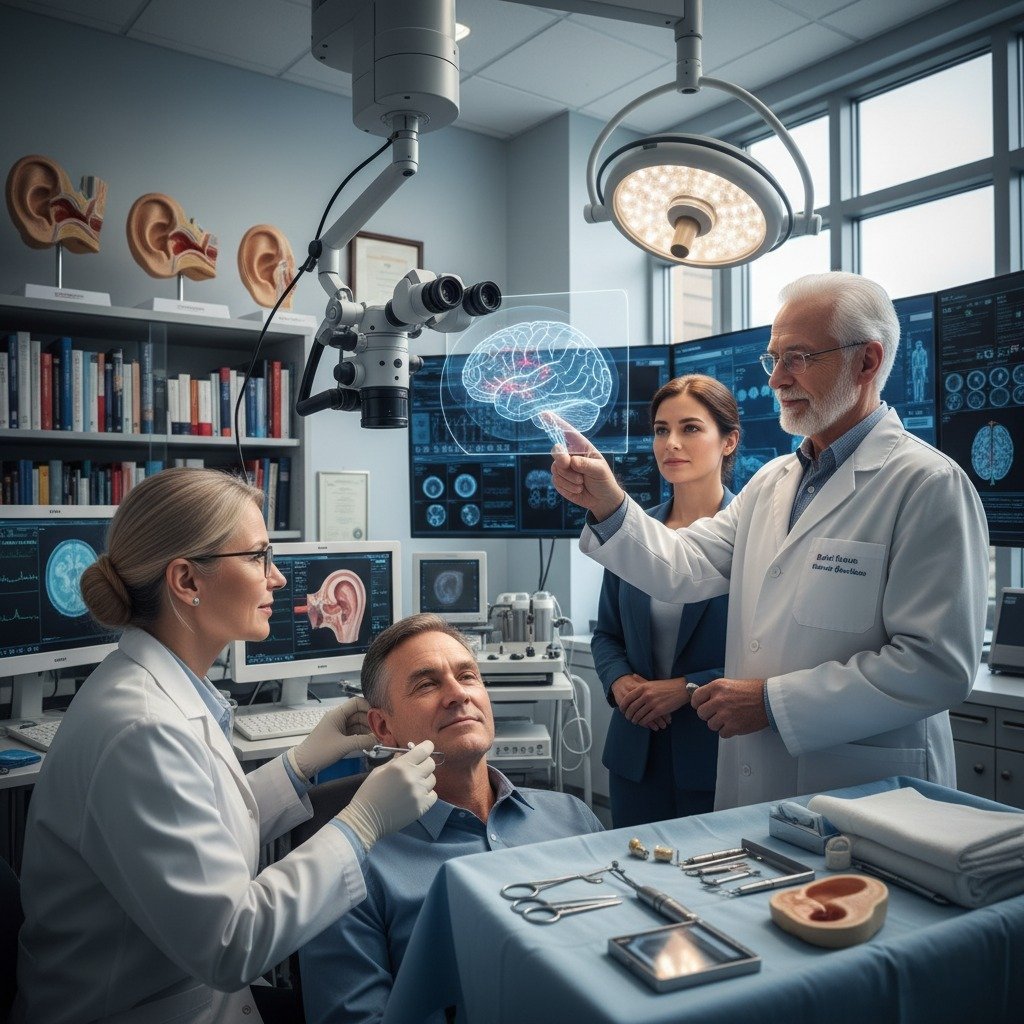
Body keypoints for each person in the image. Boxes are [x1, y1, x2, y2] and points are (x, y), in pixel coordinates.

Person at [551, 271, 989, 809]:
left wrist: (774, 704)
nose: (778, 377)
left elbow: (936, 666)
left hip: (868, 789)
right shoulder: (772, 482)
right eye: (774, 357)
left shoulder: (926, 484)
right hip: (756, 775)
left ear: (868, 361)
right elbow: (684, 566)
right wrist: (607, 501)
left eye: (799, 357)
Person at [14, 468, 437, 1024]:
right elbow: (231, 943)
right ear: (188, 581)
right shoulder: (142, 728)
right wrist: (363, 825)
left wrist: (300, 762)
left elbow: (200, 827)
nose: (279, 578)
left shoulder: (160, 690)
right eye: (259, 556)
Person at [299, 613, 603, 1024]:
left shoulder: (572, 817)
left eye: (468, 676)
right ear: (383, 727)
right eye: (427, 684)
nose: (458, 694)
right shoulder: (353, 872)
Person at [592, 374, 738, 826]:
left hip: (716, 751)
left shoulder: (756, 536)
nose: (671, 443)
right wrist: (620, 684)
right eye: (661, 430)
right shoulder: (633, 533)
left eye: (690, 428)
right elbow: (606, 634)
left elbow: (769, 650)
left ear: (728, 441)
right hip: (638, 753)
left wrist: (687, 689)